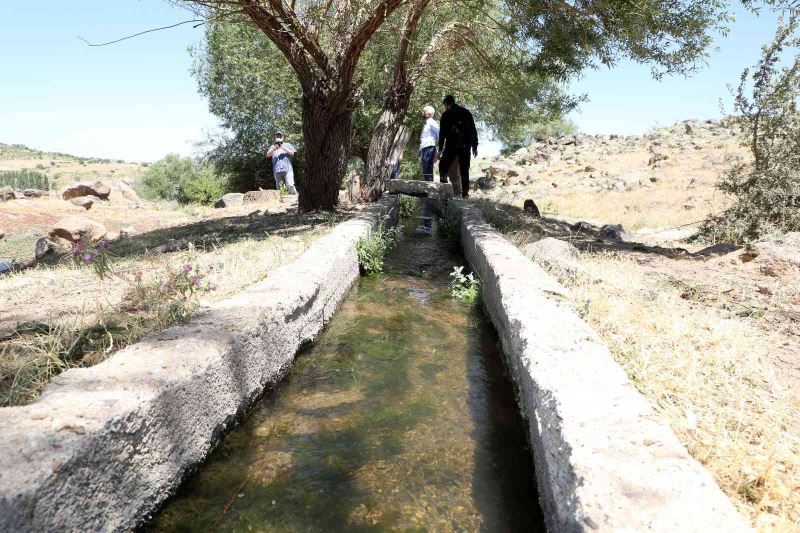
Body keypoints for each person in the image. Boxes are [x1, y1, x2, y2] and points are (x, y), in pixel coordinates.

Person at [436, 95, 478, 197]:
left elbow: (442, 134)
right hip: (465, 146)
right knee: (464, 171)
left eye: (444, 105)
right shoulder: (466, 112)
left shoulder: (445, 115)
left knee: (443, 165)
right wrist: (474, 146)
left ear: (446, 103)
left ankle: (444, 182)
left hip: (452, 145)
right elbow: (473, 129)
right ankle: (465, 193)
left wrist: (440, 149)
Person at [419, 105, 439, 181]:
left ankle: (429, 188)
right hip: (425, 148)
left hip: (429, 148)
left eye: (424, 112)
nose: (423, 113)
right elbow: (424, 138)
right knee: (425, 169)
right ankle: (427, 188)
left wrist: (437, 150)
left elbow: (440, 134)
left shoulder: (432, 122)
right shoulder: (427, 124)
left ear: (430, 114)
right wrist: (420, 149)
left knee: (428, 169)